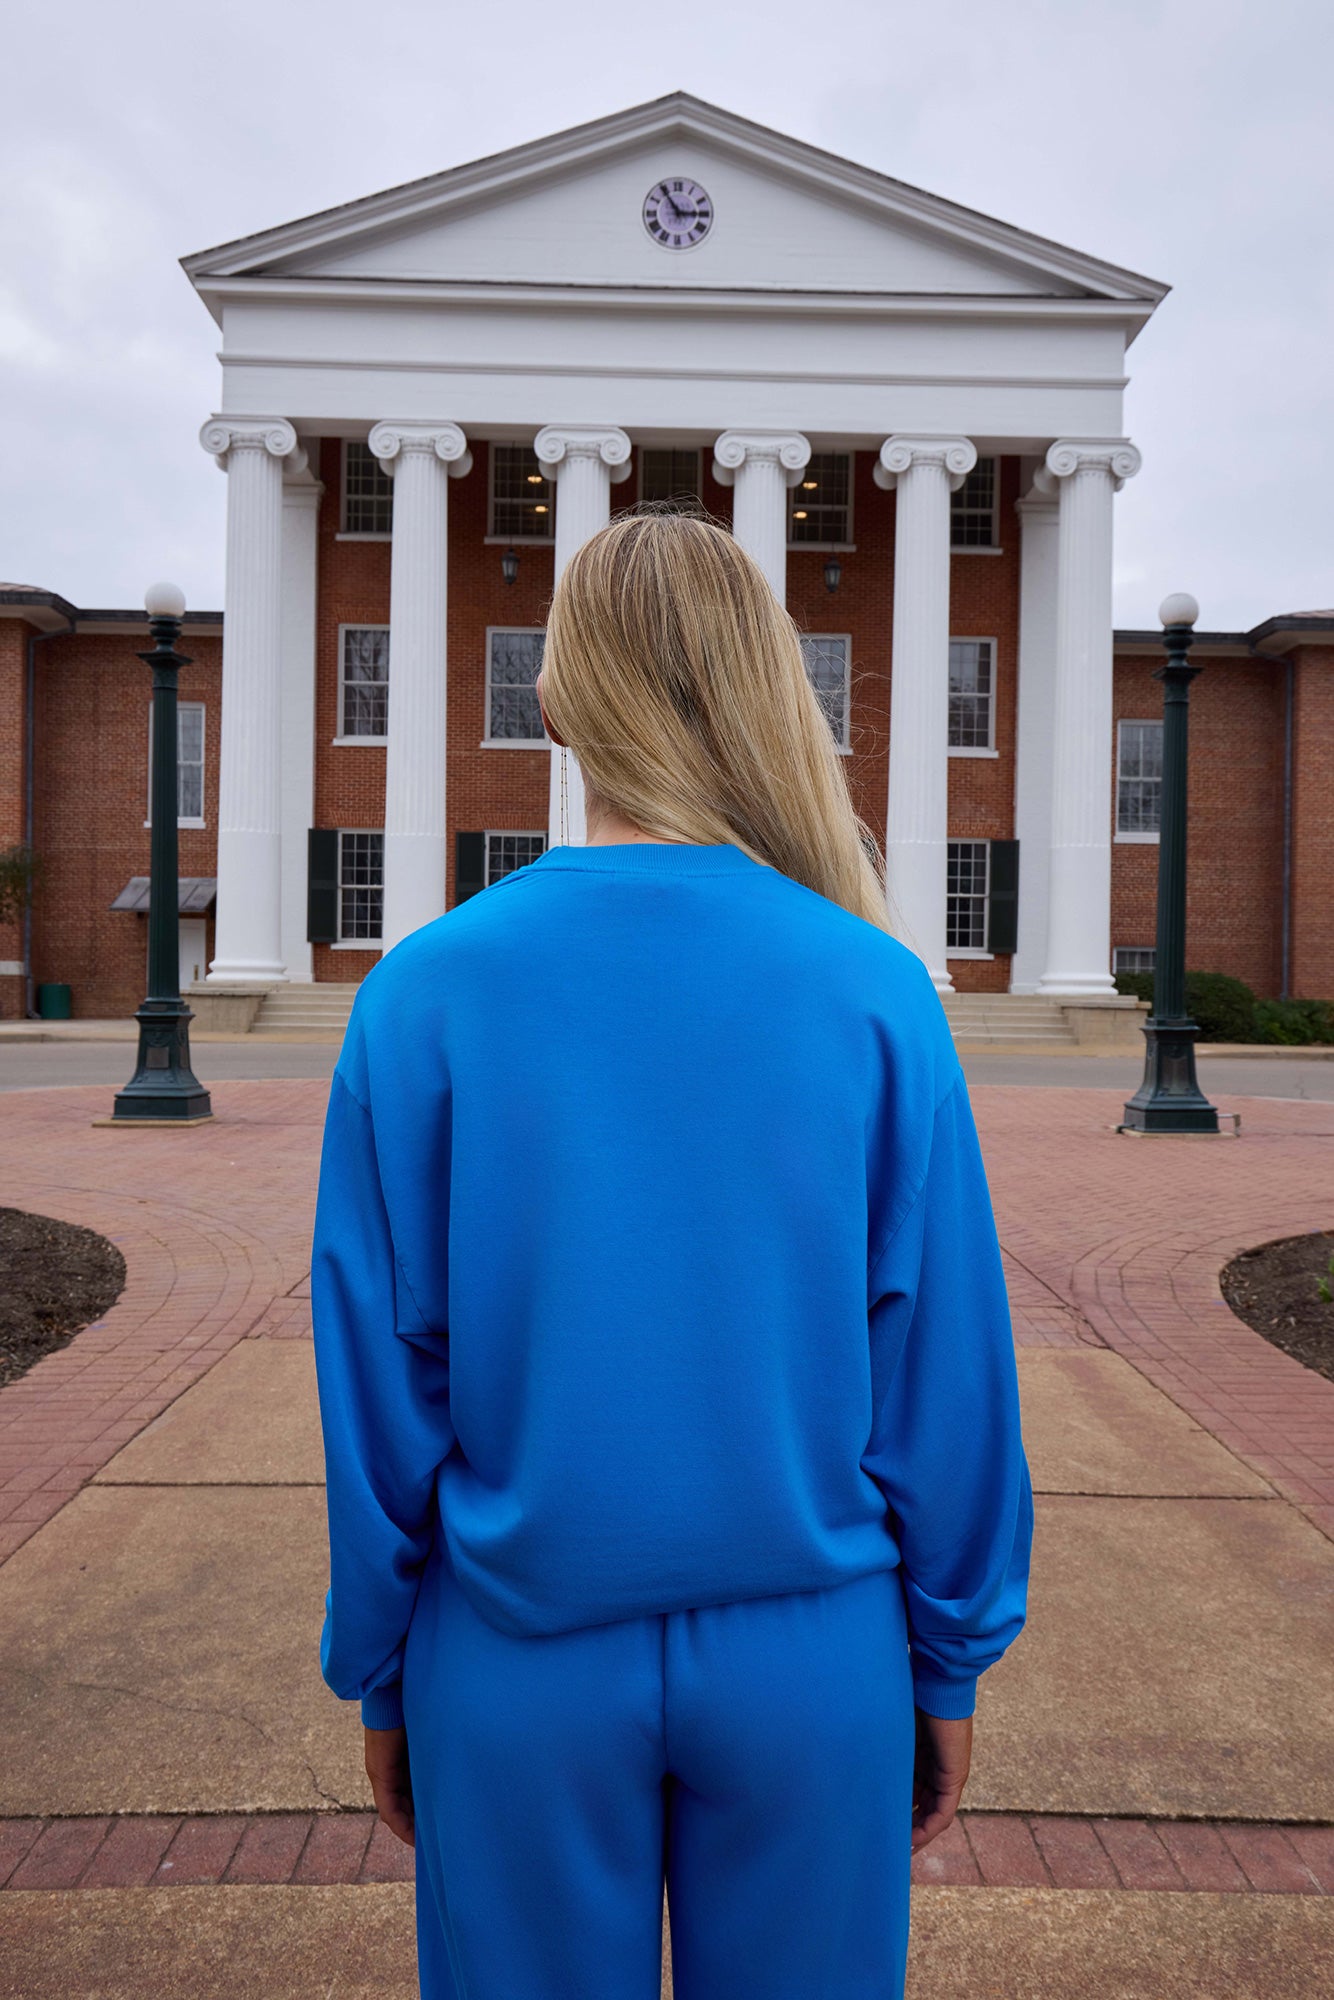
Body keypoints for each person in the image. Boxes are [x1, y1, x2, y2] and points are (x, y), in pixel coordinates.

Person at [310, 511, 1033, 2000]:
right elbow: (942, 1377)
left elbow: (381, 1382)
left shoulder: (421, 991)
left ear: (560, 700)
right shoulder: (876, 989)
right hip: (809, 1650)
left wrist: (380, 1663)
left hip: (513, 1647)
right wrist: (947, 1656)